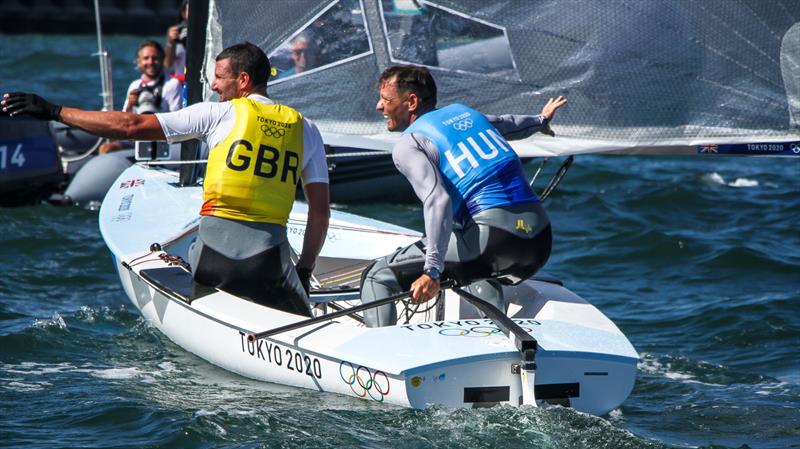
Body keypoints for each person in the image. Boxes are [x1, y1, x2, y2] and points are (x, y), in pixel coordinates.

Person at [2, 42, 330, 317]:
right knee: (303, 315)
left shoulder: (218, 114)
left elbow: (129, 127)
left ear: (243, 80)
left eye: (219, 77)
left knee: (198, 267)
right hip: (269, 265)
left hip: (213, 260)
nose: (214, 85)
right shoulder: (306, 129)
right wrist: (304, 272)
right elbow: (319, 212)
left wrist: (55, 111)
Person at [360, 65, 567, 327]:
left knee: (377, 276)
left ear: (411, 102)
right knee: (478, 269)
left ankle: (382, 361)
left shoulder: (409, 144)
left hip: (492, 240)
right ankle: (499, 337)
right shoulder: (466, 115)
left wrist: (431, 271)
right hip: (539, 242)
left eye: (386, 100)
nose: (379, 106)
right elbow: (509, 124)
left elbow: (438, 201)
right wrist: (540, 120)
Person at [99, 40, 183, 154]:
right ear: (139, 62)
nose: (151, 62)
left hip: (161, 138)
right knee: (106, 148)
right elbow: (124, 121)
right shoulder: (135, 85)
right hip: (136, 137)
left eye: (155, 58)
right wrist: (130, 105)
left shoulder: (172, 84)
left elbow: (176, 119)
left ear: (162, 60)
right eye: (146, 58)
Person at [164, 0, 189, 79]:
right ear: (183, 13)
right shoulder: (177, 32)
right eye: (190, 10)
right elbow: (168, 64)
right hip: (182, 81)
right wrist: (170, 42)